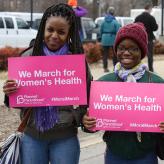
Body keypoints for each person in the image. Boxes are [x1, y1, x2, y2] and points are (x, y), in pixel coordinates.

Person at [3, 3, 92, 164]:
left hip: (65, 138)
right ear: (43, 28)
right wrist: (10, 93)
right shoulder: (28, 58)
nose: (54, 35)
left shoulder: (76, 61)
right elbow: (17, 102)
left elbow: (89, 96)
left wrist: (82, 119)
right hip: (32, 138)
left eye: (61, 32)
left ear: (69, 33)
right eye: (50, 30)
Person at [82, 23, 164, 164]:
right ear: (115, 51)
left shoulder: (157, 83)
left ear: (142, 51)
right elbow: (92, 121)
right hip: (115, 154)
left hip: (146, 155)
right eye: (122, 48)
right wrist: (87, 122)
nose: (126, 52)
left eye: (133, 48)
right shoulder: (104, 83)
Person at [135, 3, 158, 72]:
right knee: (150, 55)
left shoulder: (138, 17)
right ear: (149, 9)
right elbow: (155, 28)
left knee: (138, 54)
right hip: (149, 38)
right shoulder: (151, 18)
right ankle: (150, 69)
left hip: (140, 38)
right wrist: (156, 25)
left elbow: (135, 27)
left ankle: (137, 68)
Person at [100, 6, 120, 72]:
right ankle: (115, 67)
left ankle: (105, 68)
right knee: (114, 54)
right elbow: (118, 31)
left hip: (104, 38)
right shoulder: (115, 21)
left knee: (105, 54)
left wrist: (101, 38)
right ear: (113, 13)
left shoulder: (103, 21)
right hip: (113, 38)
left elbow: (100, 30)